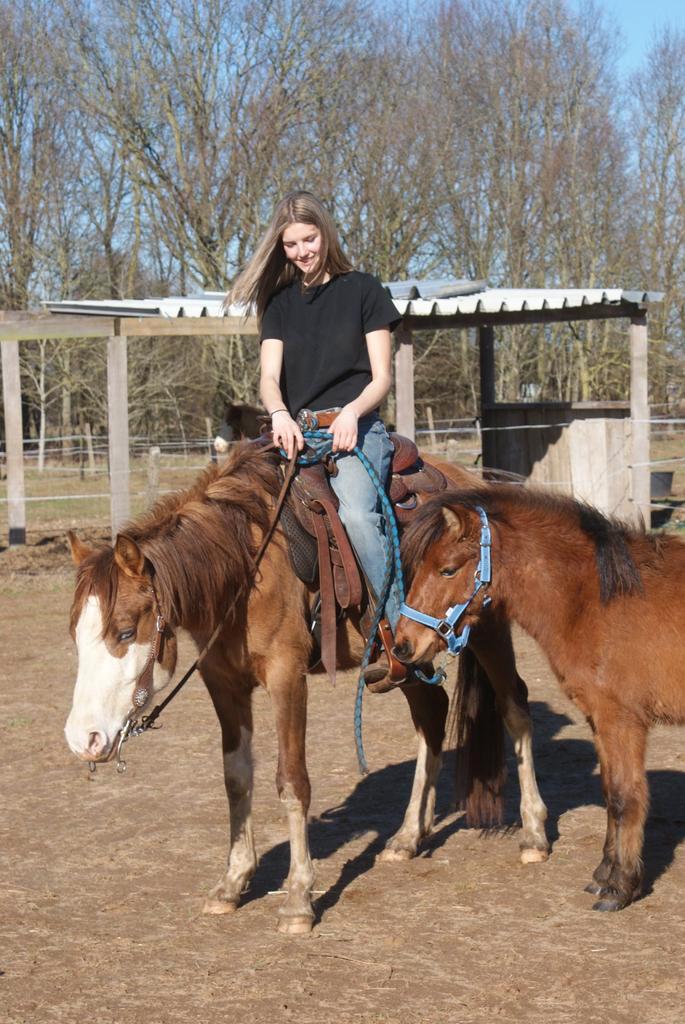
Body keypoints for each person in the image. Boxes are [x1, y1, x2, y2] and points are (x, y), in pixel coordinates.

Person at [229, 190, 404, 685]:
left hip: (357, 428)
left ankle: (399, 631)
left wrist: (351, 413)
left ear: (326, 233)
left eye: (309, 238)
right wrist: (279, 413)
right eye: (291, 244)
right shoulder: (280, 303)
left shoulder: (365, 291)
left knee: (355, 513)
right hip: (296, 432)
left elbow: (381, 376)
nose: (302, 251)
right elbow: (268, 378)